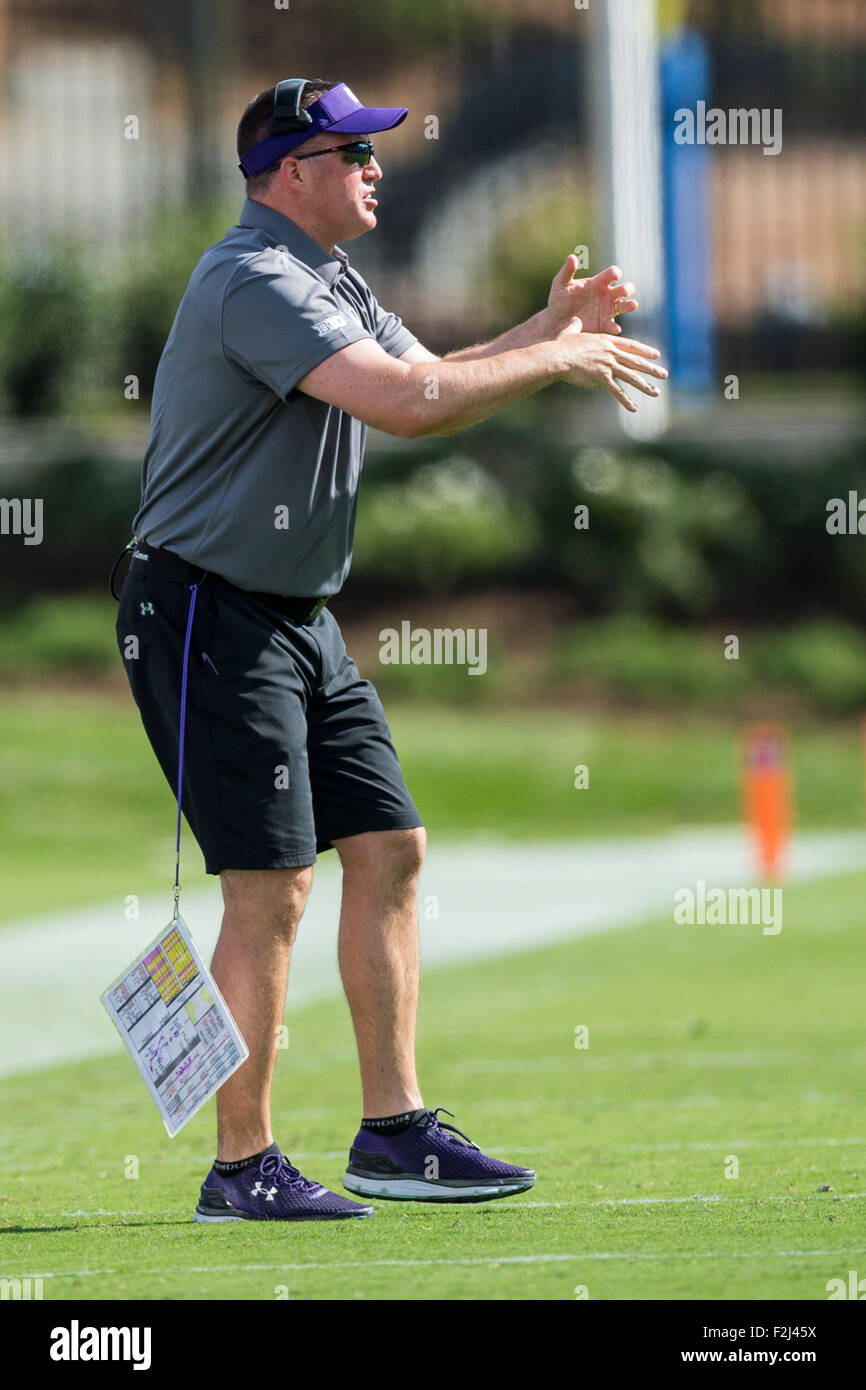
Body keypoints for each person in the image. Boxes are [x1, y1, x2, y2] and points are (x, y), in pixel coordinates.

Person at [114, 76, 667, 1222]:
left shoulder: (328, 274)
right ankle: (241, 1166)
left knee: (390, 846)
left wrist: (539, 331)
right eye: (351, 152)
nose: (374, 169)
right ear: (290, 173)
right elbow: (404, 406)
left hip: (293, 614)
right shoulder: (254, 277)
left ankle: (395, 1132)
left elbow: (434, 377)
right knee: (270, 889)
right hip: (206, 612)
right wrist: (553, 365)